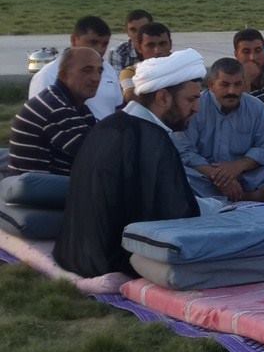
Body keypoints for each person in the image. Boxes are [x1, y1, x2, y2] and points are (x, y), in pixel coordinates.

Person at [53, 50, 206, 278]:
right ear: (163, 97)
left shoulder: (109, 124)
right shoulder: (151, 139)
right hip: (116, 260)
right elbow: (177, 217)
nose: (196, 109)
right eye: (191, 100)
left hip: (75, 254)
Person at [174, 58, 264, 203]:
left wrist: (238, 166)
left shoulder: (257, 108)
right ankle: (244, 196)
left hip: (244, 174)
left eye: (237, 84)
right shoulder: (195, 108)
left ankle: (222, 196)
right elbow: (185, 151)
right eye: (224, 85)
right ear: (211, 85)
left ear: (244, 84)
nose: (232, 91)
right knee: (180, 173)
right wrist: (218, 176)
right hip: (206, 173)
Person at [6, 47, 100, 177]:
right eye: (87, 70)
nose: (96, 78)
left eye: (100, 71)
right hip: (41, 186)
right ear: (64, 75)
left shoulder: (75, 106)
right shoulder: (55, 107)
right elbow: (96, 155)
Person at [29, 16, 122, 120]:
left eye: (105, 44)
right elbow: (38, 117)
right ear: (74, 40)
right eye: (93, 42)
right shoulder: (47, 75)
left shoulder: (109, 70)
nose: (100, 49)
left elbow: (117, 108)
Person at [117, 22, 173, 103]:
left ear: (170, 45)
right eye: (150, 45)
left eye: (162, 44)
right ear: (139, 48)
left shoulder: (184, 65)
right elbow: (130, 97)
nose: (157, 51)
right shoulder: (130, 72)